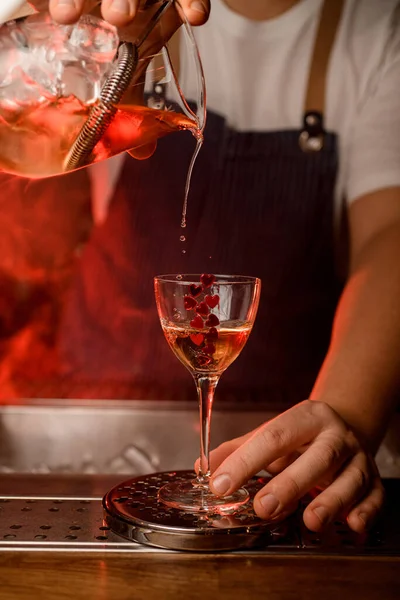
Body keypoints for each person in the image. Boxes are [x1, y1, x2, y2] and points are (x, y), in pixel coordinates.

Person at [31, 0, 400, 534]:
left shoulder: (377, 29)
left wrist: (344, 413)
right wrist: (71, 34)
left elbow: (390, 233)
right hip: (92, 431)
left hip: (277, 455)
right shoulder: (117, 18)